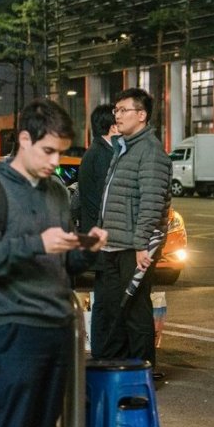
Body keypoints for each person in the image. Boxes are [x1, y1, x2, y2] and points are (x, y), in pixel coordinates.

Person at [0, 99, 108, 427]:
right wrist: (36, 244)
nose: (54, 161)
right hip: (11, 329)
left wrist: (85, 249)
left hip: (56, 328)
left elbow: (62, 266)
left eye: (59, 152)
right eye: (46, 151)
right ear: (23, 139)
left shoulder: (58, 191)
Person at [94, 88, 172, 374]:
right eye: (116, 110)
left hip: (133, 247)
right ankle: (116, 370)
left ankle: (142, 372)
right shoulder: (123, 148)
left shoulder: (150, 152)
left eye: (123, 110)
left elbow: (152, 202)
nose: (117, 115)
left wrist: (141, 244)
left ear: (141, 115)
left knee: (136, 313)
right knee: (112, 310)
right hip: (113, 244)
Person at [76, 103, 117, 352]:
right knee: (106, 301)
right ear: (111, 125)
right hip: (104, 239)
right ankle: (104, 353)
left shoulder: (98, 151)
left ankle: (104, 351)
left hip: (102, 237)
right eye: (118, 117)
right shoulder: (101, 155)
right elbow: (107, 198)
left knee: (105, 297)